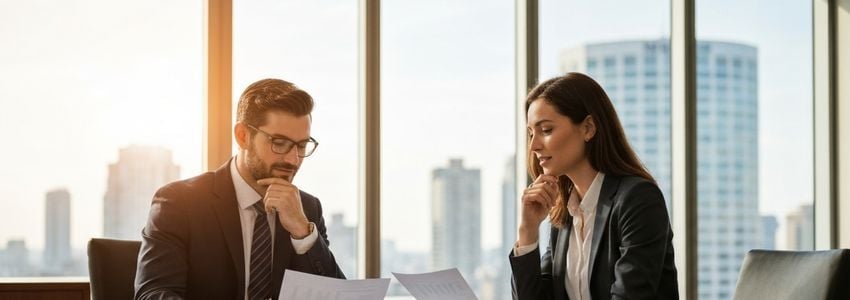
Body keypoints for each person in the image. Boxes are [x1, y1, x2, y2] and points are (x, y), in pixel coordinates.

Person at [135, 78, 345, 300]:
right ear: (243, 136)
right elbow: (153, 294)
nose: (293, 159)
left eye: (301, 146)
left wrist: (303, 234)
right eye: (279, 143)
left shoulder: (307, 209)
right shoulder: (179, 202)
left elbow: (338, 295)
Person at [509, 72, 678, 300]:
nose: (533, 146)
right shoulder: (566, 214)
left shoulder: (638, 199)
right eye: (531, 134)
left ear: (588, 128)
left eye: (546, 130)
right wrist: (527, 231)